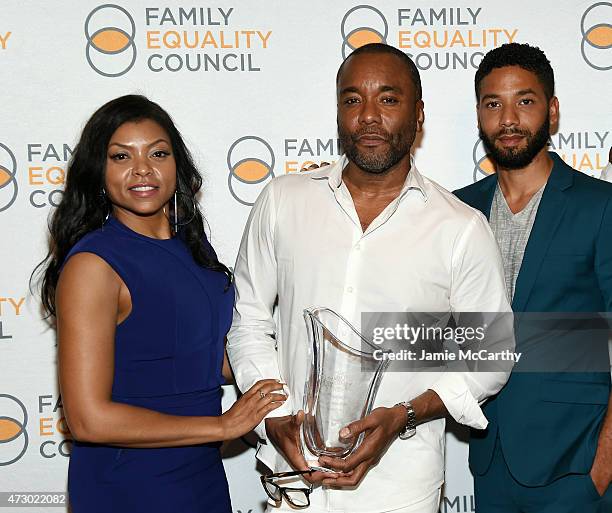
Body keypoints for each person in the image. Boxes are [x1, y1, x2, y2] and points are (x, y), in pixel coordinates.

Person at [227, 43, 512, 513]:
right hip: (293, 485)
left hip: (401, 490)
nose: (369, 116)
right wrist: (273, 416)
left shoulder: (459, 227)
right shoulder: (283, 201)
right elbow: (249, 320)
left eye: (388, 99)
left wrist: (403, 416)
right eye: (352, 99)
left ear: (418, 115)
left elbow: (491, 356)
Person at [36, 95, 286, 513]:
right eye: (120, 156)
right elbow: (87, 419)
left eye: (158, 153)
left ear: (177, 165)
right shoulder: (94, 264)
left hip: (200, 479)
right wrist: (223, 425)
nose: (142, 169)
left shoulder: (194, 252)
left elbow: (210, 359)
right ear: (99, 172)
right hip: (128, 487)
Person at [454, 43, 612, 512]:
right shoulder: (456, 210)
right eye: (492, 104)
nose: (508, 119)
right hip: (489, 464)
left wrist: (600, 472)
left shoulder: (599, 206)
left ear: (552, 110)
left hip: (576, 469)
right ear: (479, 114)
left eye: (524, 101)